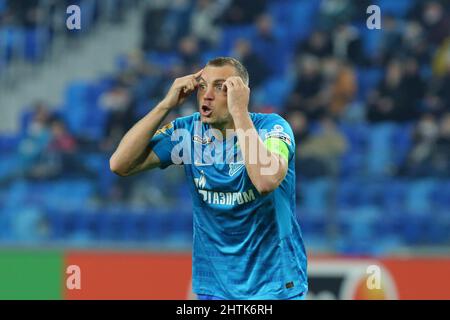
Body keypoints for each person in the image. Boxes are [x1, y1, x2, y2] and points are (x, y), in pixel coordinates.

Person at [110, 57, 308, 300]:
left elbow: (265, 181)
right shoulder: (188, 133)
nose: (207, 95)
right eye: (202, 86)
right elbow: (120, 164)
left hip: (274, 286)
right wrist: (165, 105)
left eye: (220, 87)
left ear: (241, 93)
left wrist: (239, 112)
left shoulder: (271, 128)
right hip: (215, 288)